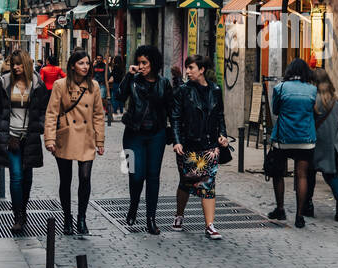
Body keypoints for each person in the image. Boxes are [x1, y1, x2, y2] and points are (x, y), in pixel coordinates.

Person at [113, 44, 174, 234]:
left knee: (153, 177)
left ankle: (151, 219)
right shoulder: (133, 81)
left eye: (144, 62)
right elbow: (119, 96)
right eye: (139, 62)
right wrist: (128, 75)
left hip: (156, 135)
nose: (141, 66)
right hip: (132, 135)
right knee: (135, 175)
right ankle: (133, 204)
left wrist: (176, 137)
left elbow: (172, 111)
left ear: (153, 63)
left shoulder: (164, 83)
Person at [44, 49, 106, 236]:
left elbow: (98, 115)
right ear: (72, 65)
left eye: (87, 63)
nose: (85, 67)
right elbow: (51, 113)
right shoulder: (60, 85)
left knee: (85, 178)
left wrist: (100, 140)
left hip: (86, 137)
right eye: (81, 63)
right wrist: (50, 138)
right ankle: (67, 218)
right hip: (66, 135)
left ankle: (81, 217)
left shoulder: (93, 86)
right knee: (66, 179)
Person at [0, 49, 50, 236]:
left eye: (19, 64)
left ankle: (23, 210)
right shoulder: (5, 82)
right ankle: (18, 216)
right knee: (16, 176)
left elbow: (43, 109)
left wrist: (38, 127)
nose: (16, 67)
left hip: (29, 137)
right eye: (13, 64)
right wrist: (1, 128)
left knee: (27, 177)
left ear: (26, 64)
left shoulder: (37, 83)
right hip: (12, 137)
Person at [169, 54, 229, 238]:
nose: (187, 71)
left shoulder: (215, 90)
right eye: (187, 68)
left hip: (210, 146)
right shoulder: (183, 91)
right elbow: (176, 118)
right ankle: (179, 215)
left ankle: (210, 225)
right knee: (186, 182)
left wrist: (223, 136)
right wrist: (177, 140)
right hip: (188, 145)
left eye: (191, 68)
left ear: (201, 70)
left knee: (208, 184)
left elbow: (220, 116)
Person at [267, 59, 318, 228]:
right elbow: (314, 111)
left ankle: (280, 209)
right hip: (305, 140)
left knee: (278, 173)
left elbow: (275, 110)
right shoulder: (312, 90)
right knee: (302, 175)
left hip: (283, 139)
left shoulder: (280, 88)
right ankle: (299, 216)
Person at [306, 67, 338, 223]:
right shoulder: (337, 101)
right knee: (331, 175)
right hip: (331, 143)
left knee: (310, 173)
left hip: (315, 141)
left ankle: (308, 204)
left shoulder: (313, 100)